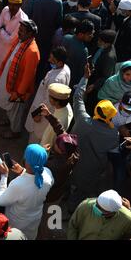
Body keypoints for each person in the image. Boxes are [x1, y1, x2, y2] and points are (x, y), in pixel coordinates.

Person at [69, 65, 119, 211]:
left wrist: (85, 77)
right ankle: (73, 210)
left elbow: (78, 97)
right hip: (91, 171)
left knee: (69, 185)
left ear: (97, 109)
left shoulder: (83, 119)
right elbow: (113, 154)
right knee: (80, 193)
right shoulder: (113, 135)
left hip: (72, 163)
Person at [0, 20, 40, 139]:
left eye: (22, 31)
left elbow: (28, 76)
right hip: (9, 81)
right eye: (19, 30)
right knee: (8, 105)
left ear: (30, 34)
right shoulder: (21, 41)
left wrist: (19, 93)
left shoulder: (32, 51)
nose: (18, 33)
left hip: (18, 89)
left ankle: (15, 131)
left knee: (15, 111)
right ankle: (8, 121)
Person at [0, 144, 54, 240]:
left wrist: (4, 176)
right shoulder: (48, 173)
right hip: (34, 221)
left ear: (26, 161)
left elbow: (0, 201)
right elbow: (35, 182)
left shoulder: (18, 184)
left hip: (17, 223)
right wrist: (23, 171)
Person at [25, 46, 71, 143]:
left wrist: (38, 114)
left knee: (35, 137)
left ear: (60, 62)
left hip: (43, 113)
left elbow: (49, 101)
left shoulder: (56, 79)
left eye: (53, 60)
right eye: (50, 57)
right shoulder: (66, 68)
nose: (49, 60)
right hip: (45, 109)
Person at [0, 0, 28, 91]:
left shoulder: (23, 19)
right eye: (10, 3)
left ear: (20, 5)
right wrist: (4, 33)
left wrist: (1, 31)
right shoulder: (5, 10)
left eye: (15, 5)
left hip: (9, 51)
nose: (11, 7)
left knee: (3, 72)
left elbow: (10, 40)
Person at [28, 0, 63, 83]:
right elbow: (59, 23)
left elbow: (29, 19)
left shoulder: (34, 1)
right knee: (42, 62)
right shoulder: (58, 3)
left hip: (34, 38)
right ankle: (37, 81)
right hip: (48, 39)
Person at [62, 19, 94, 88]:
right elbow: (81, 72)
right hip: (71, 80)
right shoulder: (83, 50)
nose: (92, 36)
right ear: (80, 34)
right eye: (89, 34)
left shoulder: (66, 37)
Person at [114, 0, 131, 64]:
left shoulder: (129, 25)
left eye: (122, 10)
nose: (122, 11)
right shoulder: (127, 18)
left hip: (123, 56)